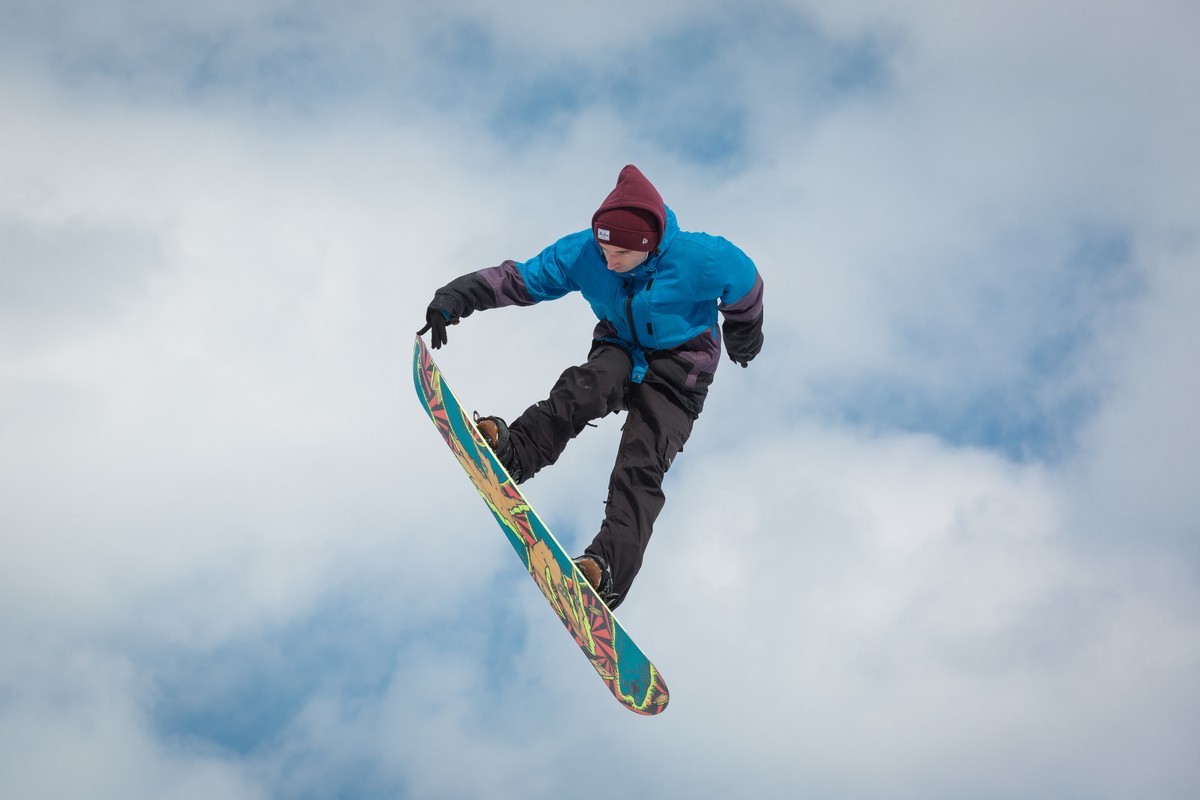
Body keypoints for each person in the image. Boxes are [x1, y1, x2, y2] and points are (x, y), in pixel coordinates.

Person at [418, 164, 764, 609]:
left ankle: (604, 573)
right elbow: (521, 279)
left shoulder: (705, 258)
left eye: (620, 254)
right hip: (620, 345)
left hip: (681, 372)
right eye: (604, 248)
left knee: (640, 466)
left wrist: (743, 335)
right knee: (584, 388)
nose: (608, 262)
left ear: (649, 246)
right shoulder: (586, 251)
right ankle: (516, 451)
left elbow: (748, 289)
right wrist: (457, 296)